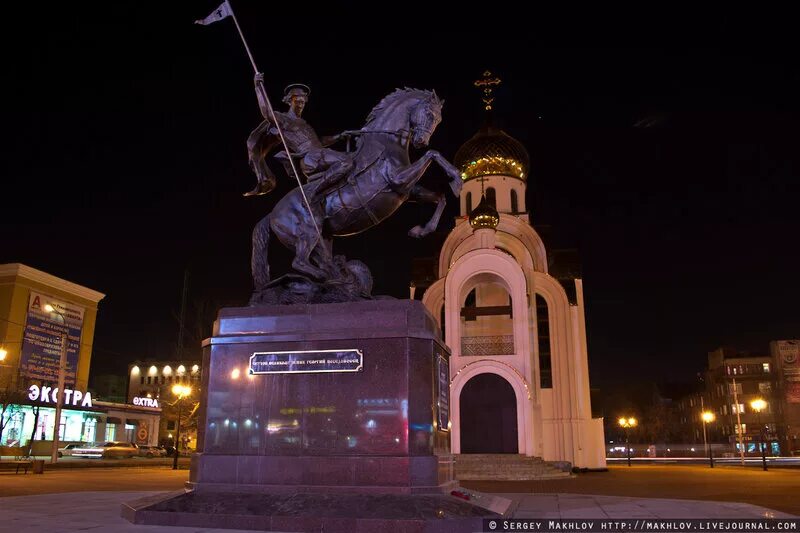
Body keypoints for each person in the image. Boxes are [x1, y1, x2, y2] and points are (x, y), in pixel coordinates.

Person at [245, 74, 354, 199]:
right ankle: (315, 191)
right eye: (297, 100)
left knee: (353, 157)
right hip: (311, 158)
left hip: (320, 153)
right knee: (346, 162)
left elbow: (318, 142)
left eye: (303, 100)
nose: (301, 103)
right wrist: (258, 86)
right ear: (289, 100)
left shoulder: (303, 123)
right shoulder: (283, 119)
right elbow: (267, 111)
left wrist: (339, 136)